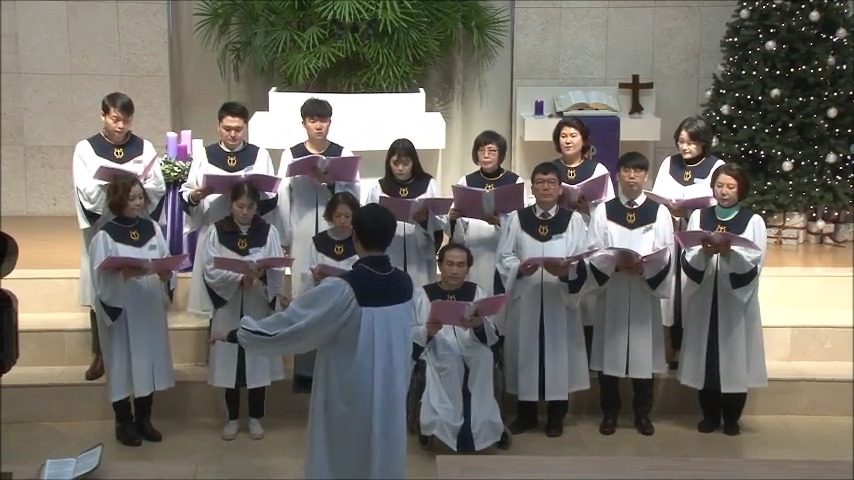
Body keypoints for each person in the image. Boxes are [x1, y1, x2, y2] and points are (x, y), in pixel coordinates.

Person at [210, 203, 415, 479]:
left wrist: (237, 333)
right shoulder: (405, 283)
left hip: (350, 390)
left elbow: (293, 327)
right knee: (382, 452)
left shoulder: (345, 287)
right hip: (390, 390)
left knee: (344, 455)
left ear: (354, 236)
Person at [73, 92, 166, 381]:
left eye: (126, 120)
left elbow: (157, 185)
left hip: (135, 224)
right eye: (115, 119)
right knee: (102, 284)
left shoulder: (143, 147)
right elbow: (84, 190)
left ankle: (137, 347)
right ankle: (101, 352)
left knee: (135, 280)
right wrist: (111, 187)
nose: (121, 125)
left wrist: (135, 186)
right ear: (103, 115)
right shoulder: (86, 149)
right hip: (104, 225)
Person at [496, 162, 590, 438]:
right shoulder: (517, 219)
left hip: (558, 299)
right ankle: (526, 414)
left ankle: (556, 416)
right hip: (526, 297)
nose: (545, 187)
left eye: (551, 182)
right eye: (540, 182)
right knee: (526, 353)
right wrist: (519, 268)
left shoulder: (573, 220)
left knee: (557, 354)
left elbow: (582, 258)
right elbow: (504, 257)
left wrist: (566, 271)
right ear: (532, 188)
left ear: (560, 189)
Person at [585, 152, 674, 437]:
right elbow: (593, 250)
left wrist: (646, 269)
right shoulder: (604, 211)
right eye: (626, 170)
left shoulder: (659, 212)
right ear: (618, 175)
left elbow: (667, 252)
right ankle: (609, 414)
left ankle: (642, 415)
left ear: (646, 176)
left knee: (643, 356)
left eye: (638, 171)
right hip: (613, 290)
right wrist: (613, 265)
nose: (632, 176)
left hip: (643, 292)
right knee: (609, 354)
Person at [678, 163, 768, 436]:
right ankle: (709, 415)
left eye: (730, 186)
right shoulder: (700, 216)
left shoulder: (752, 221)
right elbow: (688, 255)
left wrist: (729, 254)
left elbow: (755, 261)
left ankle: (731, 418)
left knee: (733, 359)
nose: (724, 191)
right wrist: (704, 254)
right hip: (705, 296)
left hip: (735, 301)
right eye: (719, 186)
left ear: (741, 189)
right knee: (707, 360)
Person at [89, 174, 175, 447]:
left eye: (140, 197)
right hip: (123, 309)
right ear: (118, 201)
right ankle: (123, 422)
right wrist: (123, 275)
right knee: (123, 363)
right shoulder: (105, 236)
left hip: (148, 306)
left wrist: (166, 275)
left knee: (146, 361)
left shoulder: (152, 228)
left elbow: (164, 261)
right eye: (131, 199)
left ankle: (144, 419)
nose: (138, 203)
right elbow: (100, 280)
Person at [203, 182, 286, 441]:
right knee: (231, 364)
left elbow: (277, 268)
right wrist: (240, 278)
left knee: (257, 362)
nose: (245, 212)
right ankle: (232, 418)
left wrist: (262, 276)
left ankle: (255, 418)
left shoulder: (268, 231)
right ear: (231, 204)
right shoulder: (217, 231)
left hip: (257, 303)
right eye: (240, 206)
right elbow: (210, 269)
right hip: (229, 305)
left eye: (250, 207)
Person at [181, 101, 279, 316]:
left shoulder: (259, 155)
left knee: (252, 299)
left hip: (249, 231)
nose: (233, 134)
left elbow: (272, 196)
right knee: (219, 295)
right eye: (227, 129)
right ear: (218, 126)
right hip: (216, 230)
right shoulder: (205, 155)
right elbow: (187, 193)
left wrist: (255, 192)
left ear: (245, 127)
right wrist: (198, 194)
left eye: (238, 129)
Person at [412, 243, 506, 452]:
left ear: (468, 268)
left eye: (460, 265)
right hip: (439, 344)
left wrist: (478, 325)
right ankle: (446, 426)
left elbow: (490, 331)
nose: (454, 270)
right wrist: (428, 331)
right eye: (450, 264)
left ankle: (483, 424)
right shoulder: (424, 294)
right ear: (440, 265)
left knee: (484, 357)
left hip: (470, 342)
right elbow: (413, 330)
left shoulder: (476, 292)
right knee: (450, 362)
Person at [651, 116, 726, 370]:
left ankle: (691, 352)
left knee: (690, 290)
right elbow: (658, 197)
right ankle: (668, 348)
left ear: (704, 142)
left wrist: (689, 212)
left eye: (691, 142)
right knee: (670, 292)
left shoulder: (716, 166)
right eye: (681, 141)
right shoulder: (669, 164)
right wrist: (670, 210)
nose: (685, 147)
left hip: (698, 238)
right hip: (671, 235)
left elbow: (718, 202)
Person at [275, 98, 359, 299]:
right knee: (302, 285)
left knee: (334, 283)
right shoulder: (291, 154)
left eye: (323, 120)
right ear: (304, 123)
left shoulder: (343, 153)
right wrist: (284, 236)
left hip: (334, 227)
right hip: (301, 226)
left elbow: (354, 195)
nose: (318, 126)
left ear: (330, 122)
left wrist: (331, 183)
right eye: (312, 120)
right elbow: (283, 195)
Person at [549, 116, 616, 360]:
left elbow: (609, 209)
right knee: (560, 295)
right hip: (558, 236)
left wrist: (588, 208)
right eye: (563, 136)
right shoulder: (550, 169)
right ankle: (560, 352)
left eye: (573, 135)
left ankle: (587, 356)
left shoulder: (597, 170)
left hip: (588, 236)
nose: (568, 141)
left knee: (588, 300)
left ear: (584, 140)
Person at [291, 191, 361, 393]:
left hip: (351, 306)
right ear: (330, 216)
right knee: (323, 358)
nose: (343, 220)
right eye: (338, 215)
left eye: (347, 216)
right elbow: (307, 272)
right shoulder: (319, 242)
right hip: (323, 304)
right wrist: (314, 279)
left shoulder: (360, 241)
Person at [448, 130, 524, 295]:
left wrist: (499, 221)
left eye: (492, 151)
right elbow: (457, 224)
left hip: (502, 245)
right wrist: (453, 218)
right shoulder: (466, 181)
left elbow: (522, 220)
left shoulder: (514, 181)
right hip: (474, 244)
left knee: (500, 295)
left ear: (501, 154)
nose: (486, 155)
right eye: (481, 150)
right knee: (476, 292)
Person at [366, 138, 445, 287]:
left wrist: (425, 220)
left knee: (420, 291)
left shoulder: (428, 185)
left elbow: (441, 221)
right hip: (390, 250)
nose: (400, 168)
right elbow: (368, 221)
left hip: (419, 252)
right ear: (388, 162)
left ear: (414, 162)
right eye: (395, 163)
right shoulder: (379, 187)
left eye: (405, 163)